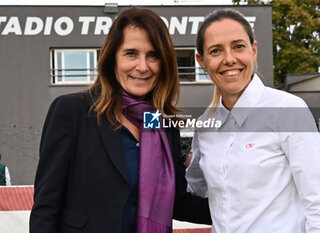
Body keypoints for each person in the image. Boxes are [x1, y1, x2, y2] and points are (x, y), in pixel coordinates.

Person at [30, 8, 211, 233]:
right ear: (112, 57)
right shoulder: (71, 111)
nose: (143, 66)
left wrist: (242, 207)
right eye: (131, 53)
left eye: (153, 55)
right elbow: (45, 208)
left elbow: (177, 202)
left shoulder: (162, 123)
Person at [186, 8, 320, 233]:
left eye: (238, 46)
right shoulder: (205, 126)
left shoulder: (288, 111)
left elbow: (319, 204)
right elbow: (196, 187)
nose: (229, 59)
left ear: (254, 50)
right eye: (216, 51)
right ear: (202, 61)